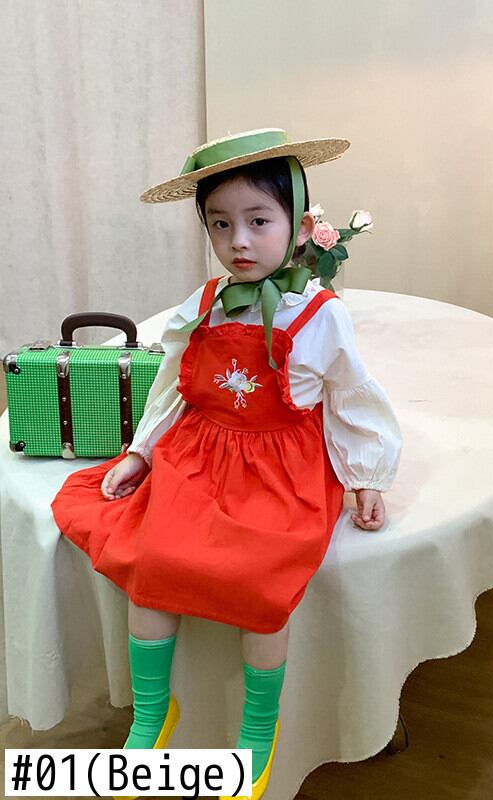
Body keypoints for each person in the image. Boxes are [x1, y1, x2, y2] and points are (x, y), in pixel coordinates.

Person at [50, 128, 402, 800]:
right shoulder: (204, 303)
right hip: (201, 452)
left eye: (258, 221)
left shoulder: (320, 315)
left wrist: (366, 474)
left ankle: (258, 728)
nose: (238, 241)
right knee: (152, 561)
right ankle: (152, 714)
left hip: (280, 468)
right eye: (220, 223)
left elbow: (351, 395)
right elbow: (174, 384)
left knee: (262, 585)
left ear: (301, 228)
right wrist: (141, 451)